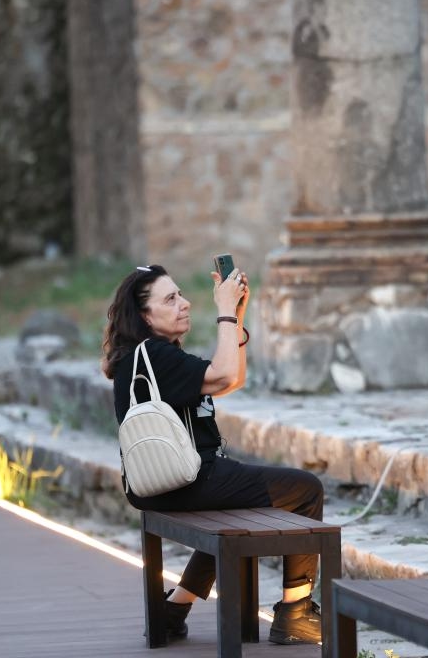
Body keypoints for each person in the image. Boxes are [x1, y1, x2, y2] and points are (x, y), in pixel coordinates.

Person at [101, 264, 325, 645]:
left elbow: (231, 379)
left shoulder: (150, 356)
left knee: (236, 513)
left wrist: (235, 316)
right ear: (144, 316)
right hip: (188, 480)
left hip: (159, 484)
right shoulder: (155, 354)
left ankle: (175, 607)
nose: (185, 304)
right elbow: (223, 375)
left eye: (181, 295)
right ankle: (296, 612)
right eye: (170, 299)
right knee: (306, 490)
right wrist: (223, 309)